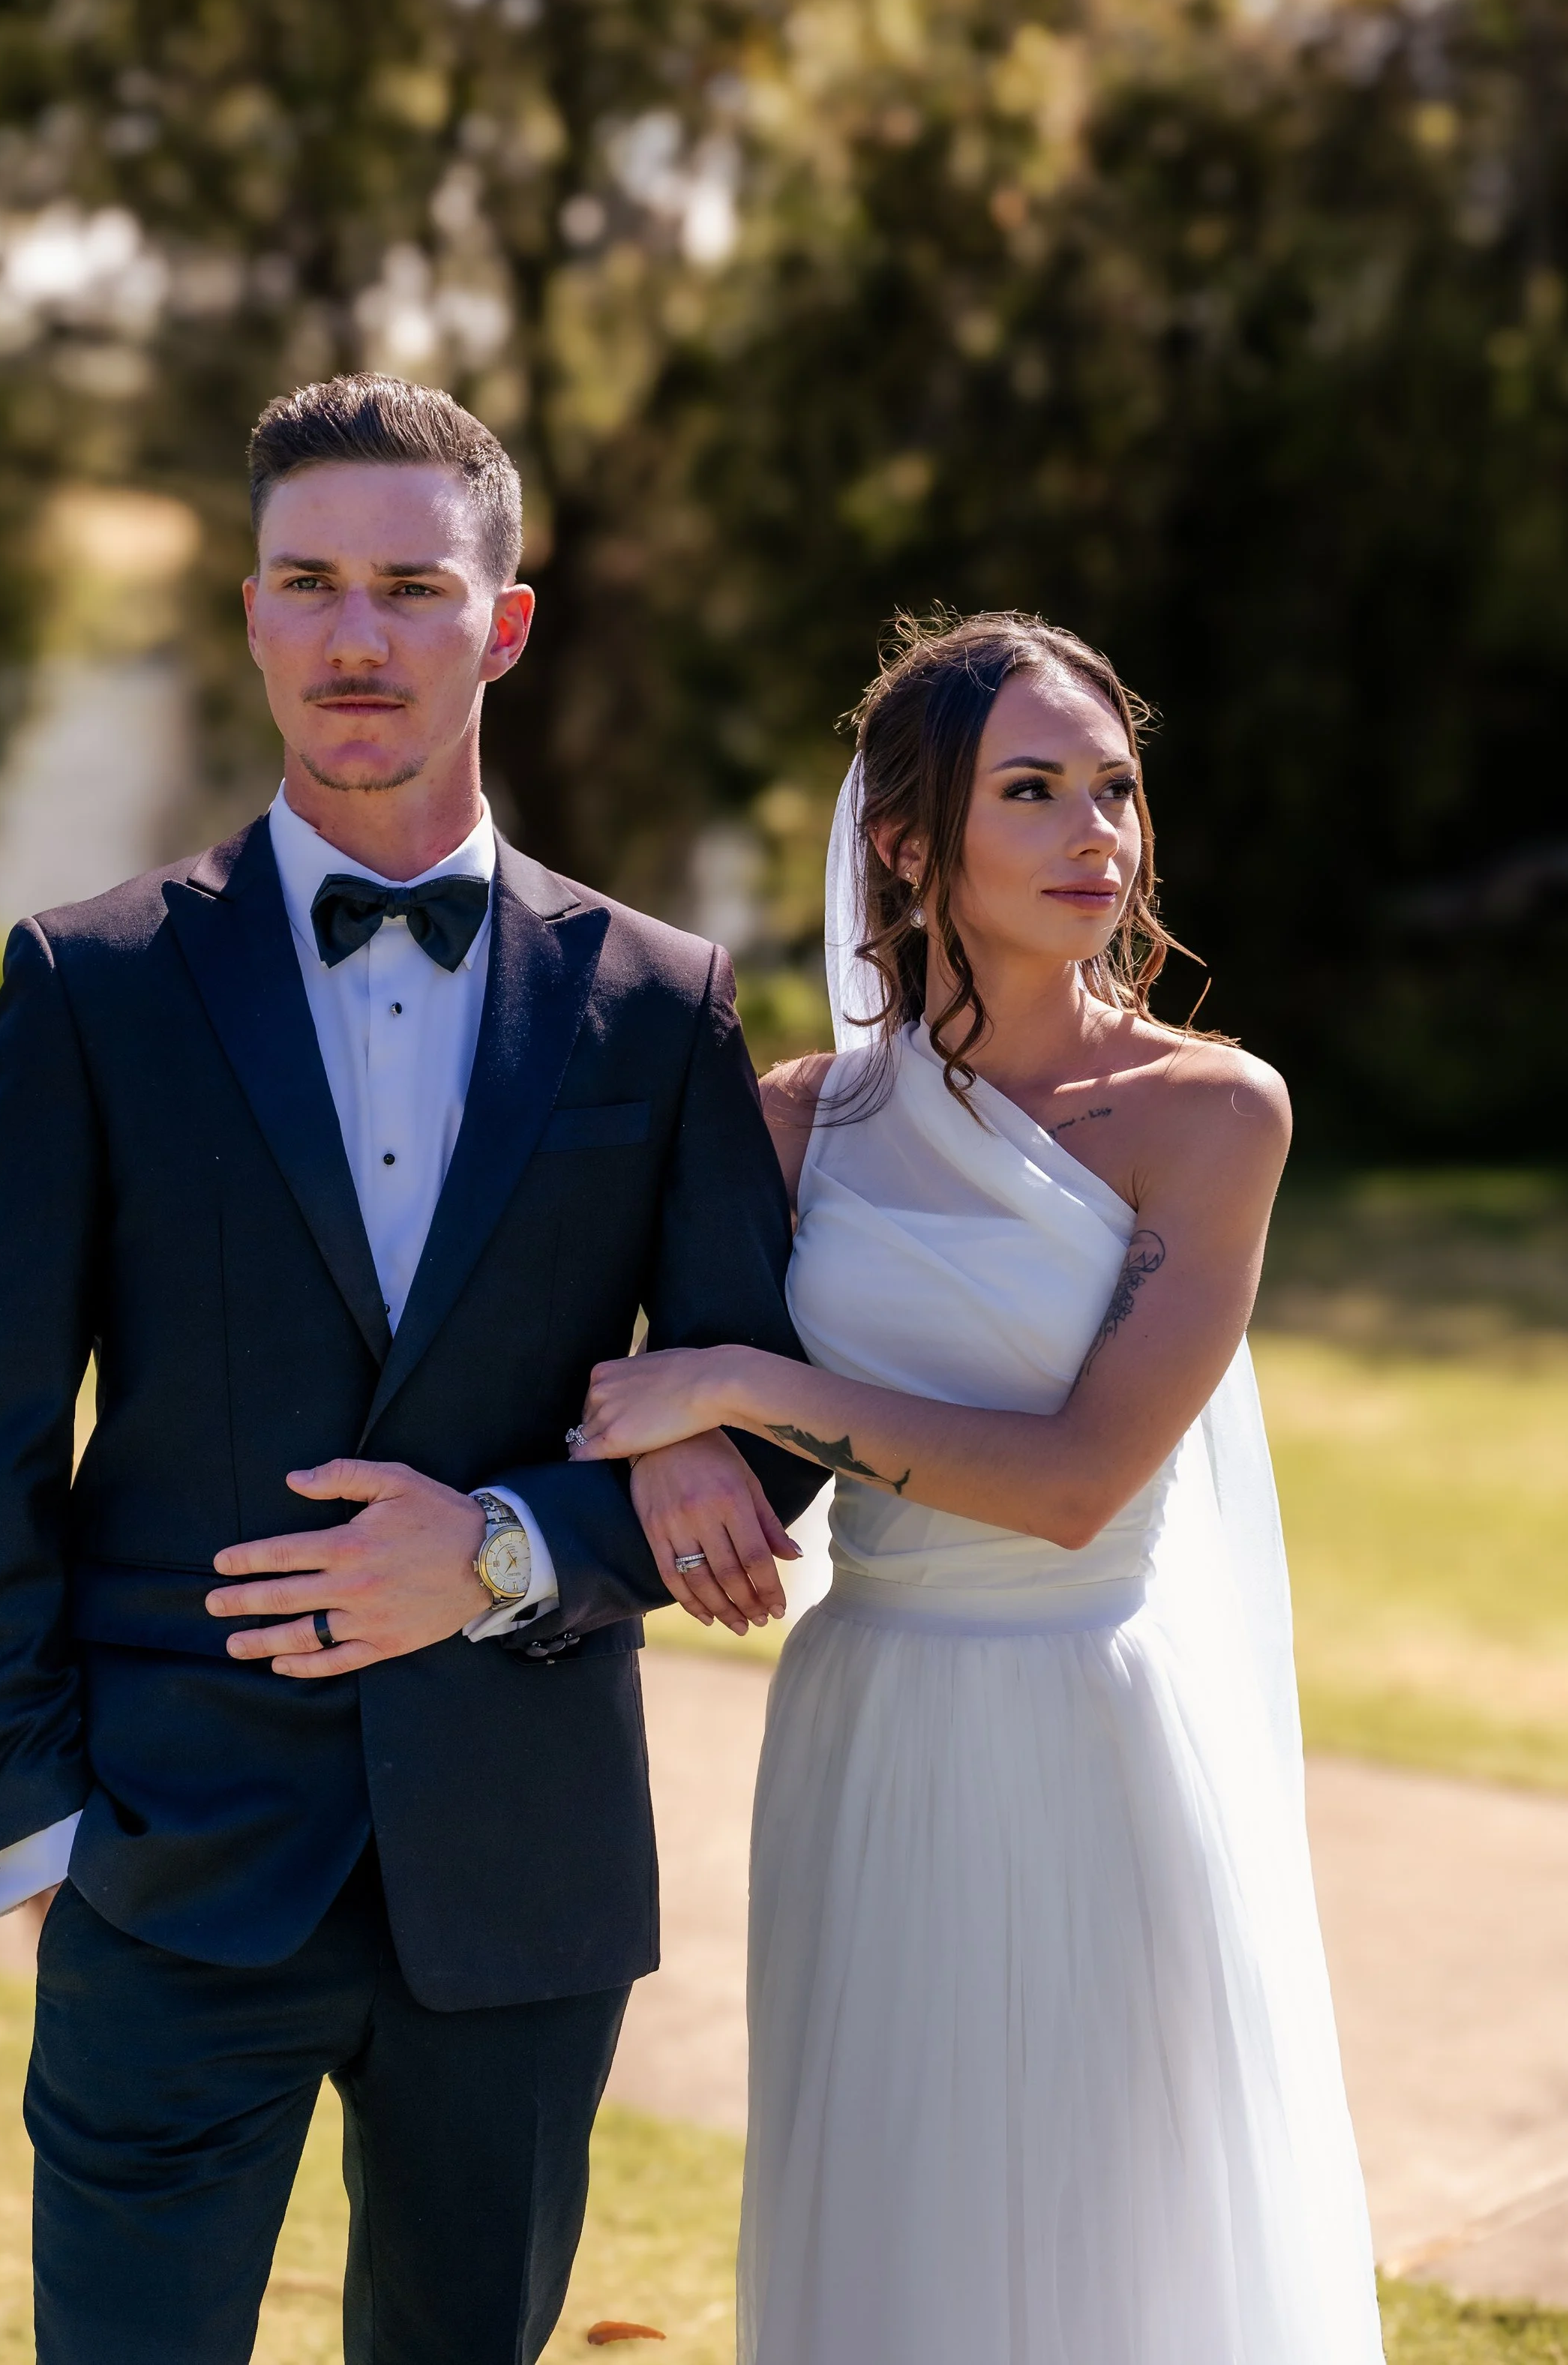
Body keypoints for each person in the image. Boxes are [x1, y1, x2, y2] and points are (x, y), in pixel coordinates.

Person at [0, 371, 823, 2365]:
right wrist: (33, 1824)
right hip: (170, 1860)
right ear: (246, 611)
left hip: (518, 1877)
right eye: (307, 581)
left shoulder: (656, 1004)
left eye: (408, 586)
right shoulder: (92, 983)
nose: (351, 633)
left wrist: (509, 1544)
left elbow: (761, 1412)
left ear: (499, 623)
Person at [572, 609, 1387, 2365]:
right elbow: (633, 1374)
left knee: (1104, 2216)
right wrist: (693, 1433)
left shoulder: (1208, 1113)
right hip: (867, 1714)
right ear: (905, 843)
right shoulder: (789, 1121)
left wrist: (738, 1382)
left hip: (1093, 1720)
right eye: (1033, 792)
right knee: (892, 2198)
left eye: (1113, 791)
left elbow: (1080, 1482)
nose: (1096, 835)